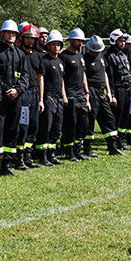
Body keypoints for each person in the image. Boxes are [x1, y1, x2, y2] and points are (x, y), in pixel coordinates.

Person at [0, 19, 28, 176]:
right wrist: (5, 91)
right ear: (2, 34)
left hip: (16, 99)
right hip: (1, 98)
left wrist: (17, 90)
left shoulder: (20, 54)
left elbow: (25, 76)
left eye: (14, 33)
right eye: (8, 33)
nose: (11, 36)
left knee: (13, 130)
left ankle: (7, 164)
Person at [83, 35, 123, 156]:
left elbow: (104, 74)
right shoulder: (85, 59)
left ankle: (112, 147)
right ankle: (87, 149)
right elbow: (83, 77)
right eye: (95, 51)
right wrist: (87, 94)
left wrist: (109, 92)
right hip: (92, 91)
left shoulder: (101, 57)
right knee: (90, 121)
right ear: (90, 49)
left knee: (109, 119)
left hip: (101, 92)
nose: (97, 53)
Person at [33, 30, 66, 166]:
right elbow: (40, 79)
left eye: (58, 44)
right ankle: (42, 155)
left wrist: (64, 95)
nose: (56, 47)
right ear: (48, 46)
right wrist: (41, 100)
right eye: (53, 44)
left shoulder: (60, 61)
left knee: (56, 128)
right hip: (48, 97)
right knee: (46, 127)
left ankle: (52, 154)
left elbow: (62, 79)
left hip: (59, 98)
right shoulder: (44, 61)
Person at [59, 28, 91, 161]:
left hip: (81, 96)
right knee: (70, 125)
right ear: (71, 40)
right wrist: (64, 95)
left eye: (82, 41)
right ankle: (69, 151)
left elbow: (83, 74)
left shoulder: (81, 56)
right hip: (70, 96)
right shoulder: (64, 56)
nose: (81, 43)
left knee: (83, 124)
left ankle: (78, 150)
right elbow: (60, 77)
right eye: (78, 40)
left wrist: (87, 92)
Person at [17, 23, 43, 169]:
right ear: (22, 38)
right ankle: (19, 157)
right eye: (27, 38)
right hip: (23, 94)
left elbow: (40, 78)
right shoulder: (18, 54)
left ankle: (28, 156)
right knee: (23, 126)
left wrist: (41, 99)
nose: (30, 41)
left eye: (33, 39)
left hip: (34, 93)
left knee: (33, 126)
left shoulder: (38, 56)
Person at [104, 29, 131, 151]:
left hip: (127, 89)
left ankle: (121, 141)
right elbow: (110, 77)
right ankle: (114, 143)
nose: (123, 44)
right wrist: (111, 94)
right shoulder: (109, 56)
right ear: (114, 41)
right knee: (116, 117)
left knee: (125, 116)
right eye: (120, 41)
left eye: (124, 41)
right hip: (117, 90)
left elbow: (128, 72)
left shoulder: (123, 55)